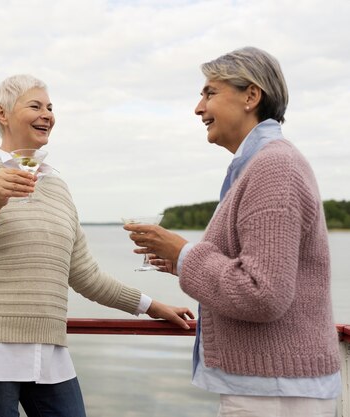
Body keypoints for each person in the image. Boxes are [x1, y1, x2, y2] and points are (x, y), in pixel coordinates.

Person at [0, 74, 194, 417]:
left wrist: (153, 307)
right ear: (2, 113)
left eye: (51, 108)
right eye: (36, 106)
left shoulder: (57, 186)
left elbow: (84, 274)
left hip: (48, 352)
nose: (48, 115)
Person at [124, 47, 341, 417]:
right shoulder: (262, 164)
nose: (198, 108)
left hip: (274, 393)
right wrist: (181, 263)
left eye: (209, 93)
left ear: (251, 96)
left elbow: (263, 294)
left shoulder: (274, 167)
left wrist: (186, 255)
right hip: (272, 386)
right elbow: (257, 271)